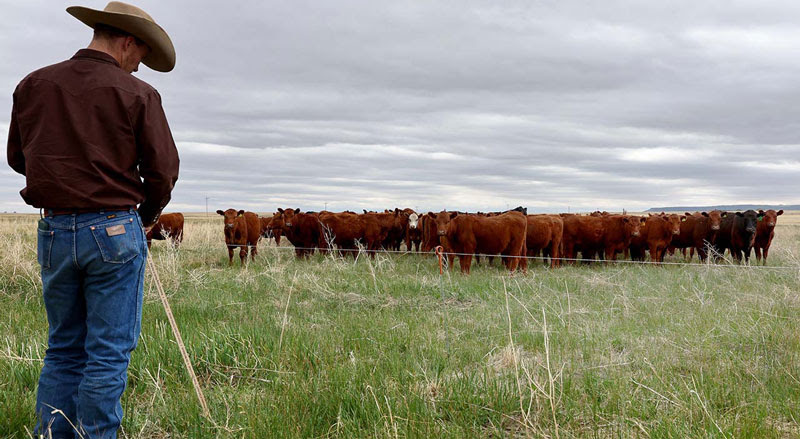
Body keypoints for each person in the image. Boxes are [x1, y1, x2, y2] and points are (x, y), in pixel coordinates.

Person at [6, 2, 179, 437]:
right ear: (127, 42)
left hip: (54, 231)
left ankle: (54, 433)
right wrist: (143, 216)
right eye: (140, 56)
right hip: (115, 230)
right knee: (107, 353)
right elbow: (163, 169)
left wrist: (63, 183)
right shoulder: (137, 94)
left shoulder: (33, 84)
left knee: (63, 347)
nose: (139, 67)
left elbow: (16, 157)